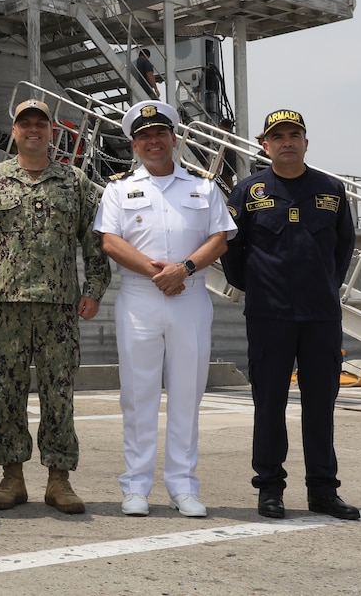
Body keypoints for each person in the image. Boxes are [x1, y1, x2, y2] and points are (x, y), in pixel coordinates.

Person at [0, 98, 107, 515]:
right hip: (7, 306)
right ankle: (12, 477)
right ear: (13, 132)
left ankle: (59, 480)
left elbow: (94, 241)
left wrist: (95, 288)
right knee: (8, 393)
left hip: (60, 307)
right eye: (24, 124)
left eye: (40, 124)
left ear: (51, 132)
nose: (33, 130)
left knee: (58, 394)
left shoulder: (76, 182)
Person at [96, 100, 234, 519]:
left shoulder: (204, 186)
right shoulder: (118, 188)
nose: (152, 142)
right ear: (134, 144)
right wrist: (158, 274)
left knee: (186, 393)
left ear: (173, 139)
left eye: (159, 134)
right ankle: (136, 487)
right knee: (138, 396)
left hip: (189, 295)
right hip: (140, 296)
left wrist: (185, 269)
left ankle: (182, 486)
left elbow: (220, 238)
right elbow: (110, 241)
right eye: (143, 137)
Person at [222, 110, 360, 521]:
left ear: (305, 141)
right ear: (264, 145)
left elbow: (343, 250)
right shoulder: (248, 191)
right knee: (270, 405)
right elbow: (232, 251)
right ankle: (269, 489)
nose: (286, 142)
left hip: (320, 317)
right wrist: (259, 286)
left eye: (294, 135)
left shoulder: (331, 190)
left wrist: (320, 287)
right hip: (269, 316)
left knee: (321, 405)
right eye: (277, 136)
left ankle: (323, 491)